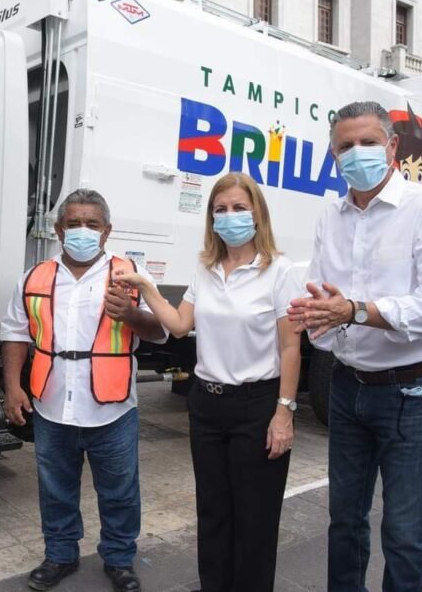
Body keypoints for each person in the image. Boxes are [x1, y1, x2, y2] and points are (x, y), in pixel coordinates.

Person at [287, 101, 422, 592]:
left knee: (405, 534)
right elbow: (322, 295)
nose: (357, 153)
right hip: (348, 390)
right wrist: (313, 316)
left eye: (368, 142)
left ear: (391, 146)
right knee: (344, 523)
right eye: (345, 146)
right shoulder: (332, 217)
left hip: (415, 392)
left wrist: (355, 310)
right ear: (333, 155)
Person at [114, 173, 302, 592]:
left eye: (239, 208)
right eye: (221, 209)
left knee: (254, 518)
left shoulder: (279, 271)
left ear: (257, 214)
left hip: (257, 406)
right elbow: (180, 326)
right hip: (208, 405)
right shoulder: (206, 269)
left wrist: (284, 413)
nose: (230, 216)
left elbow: (291, 348)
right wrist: (147, 288)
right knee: (213, 512)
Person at [0, 189, 167, 592]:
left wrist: (132, 314)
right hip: (52, 405)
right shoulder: (35, 276)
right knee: (55, 489)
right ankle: (59, 555)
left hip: (112, 409)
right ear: (58, 230)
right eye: (74, 223)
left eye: (92, 224)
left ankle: (120, 559)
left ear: (106, 232)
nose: (82, 231)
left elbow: (161, 331)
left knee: (120, 492)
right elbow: (14, 333)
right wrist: (11, 388)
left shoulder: (129, 276)